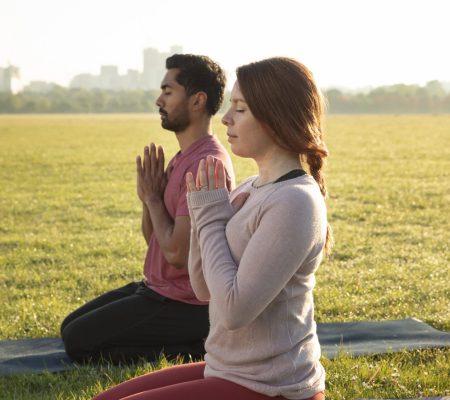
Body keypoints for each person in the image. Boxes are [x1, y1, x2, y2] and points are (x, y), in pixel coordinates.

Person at [93, 56, 332, 399]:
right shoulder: (252, 187)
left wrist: (210, 215)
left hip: (272, 386)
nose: (226, 118)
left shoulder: (295, 202)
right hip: (228, 369)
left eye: (241, 109)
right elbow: (204, 288)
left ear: (276, 117)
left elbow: (234, 310)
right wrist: (203, 211)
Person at [60, 54, 235, 364]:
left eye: (168, 92)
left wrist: (154, 199)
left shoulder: (205, 165)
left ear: (197, 101)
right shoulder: (182, 157)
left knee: (79, 343)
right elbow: (153, 239)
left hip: (184, 303)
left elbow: (177, 255)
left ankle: (196, 345)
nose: (159, 100)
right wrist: (148, 198)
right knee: (68, 327)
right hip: (157, 288)